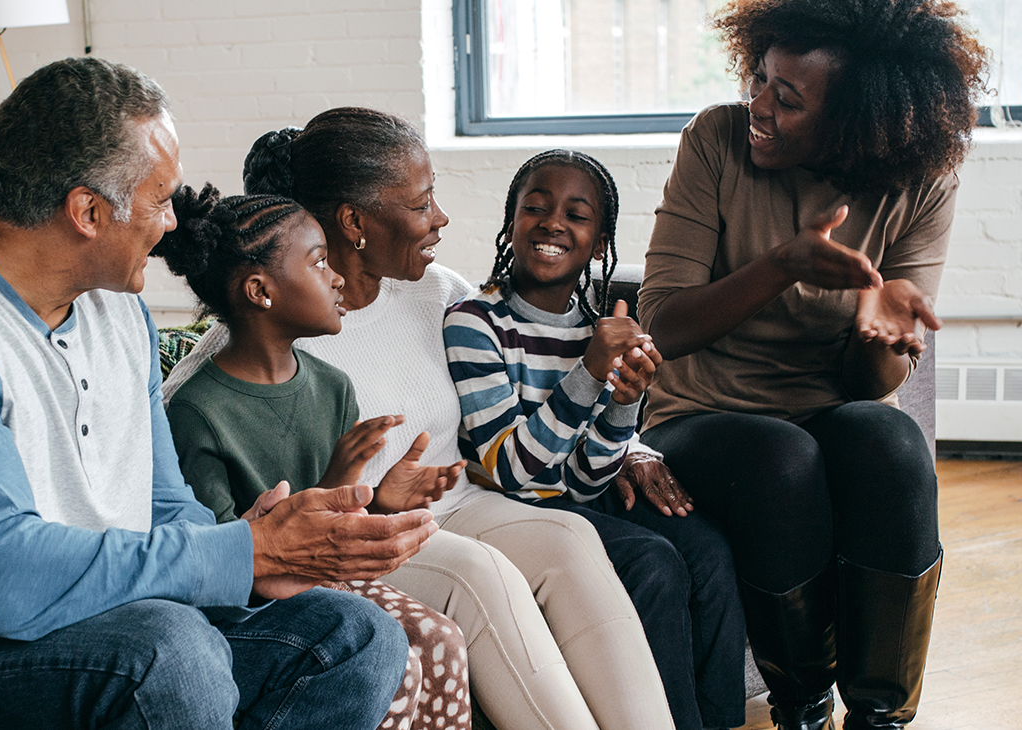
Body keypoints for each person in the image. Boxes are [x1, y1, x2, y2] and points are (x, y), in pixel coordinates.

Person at [0, 58, 439, 730]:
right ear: (87, 211)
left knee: (356, 637)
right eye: (160, 198)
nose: (172, 224)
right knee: (170, 652)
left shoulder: (117, 311)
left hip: (131, 618)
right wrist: (243, 552)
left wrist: (254, 561)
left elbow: (163, 502)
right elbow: (5, 576)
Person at [165, 108, 674, 730]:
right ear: (355, 222)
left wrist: (635, 438)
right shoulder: (277, 327)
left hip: (462, 502)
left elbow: (531, 381)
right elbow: (195, 422)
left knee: (569, 538)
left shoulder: (438, 292)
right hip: (373, 530)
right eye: (422, 201)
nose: (441, 218)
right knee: (478, 575)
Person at [636, 2, 987, 729]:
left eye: (787, 99)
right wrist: (782, 265)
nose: (758, 105)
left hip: (830, 407)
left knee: (889, 443)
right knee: (781, 455)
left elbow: (872, 389)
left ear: (860, 121)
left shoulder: (920, 179)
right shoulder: (717, 139)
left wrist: (878, 344)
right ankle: (801, 708)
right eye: (761, 80)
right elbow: (662, 326)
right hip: (705, 417)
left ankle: (879, 715)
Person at [443, 148, 746, 730]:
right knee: (653, 561)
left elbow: (587, 476)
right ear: (512, 224)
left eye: (576, 215)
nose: (553, 222)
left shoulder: (597, 330)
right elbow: (513, 472)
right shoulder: (474, 322)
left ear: (601, 243)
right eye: (535, 207)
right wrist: (587, 373)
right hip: (511, 508)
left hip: (577, 498)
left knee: (707, 552)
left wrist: (626, 400)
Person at [156, 182, 473, 730]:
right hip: (253, 604)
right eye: (320, 260)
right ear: (261, 291)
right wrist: (338, 484)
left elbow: (328, 524)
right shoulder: (197, 413)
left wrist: (376, 499)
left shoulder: (332, 386)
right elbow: (226, 559)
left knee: (441, 639)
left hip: (323, 578)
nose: (336, 277)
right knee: (400, 659)